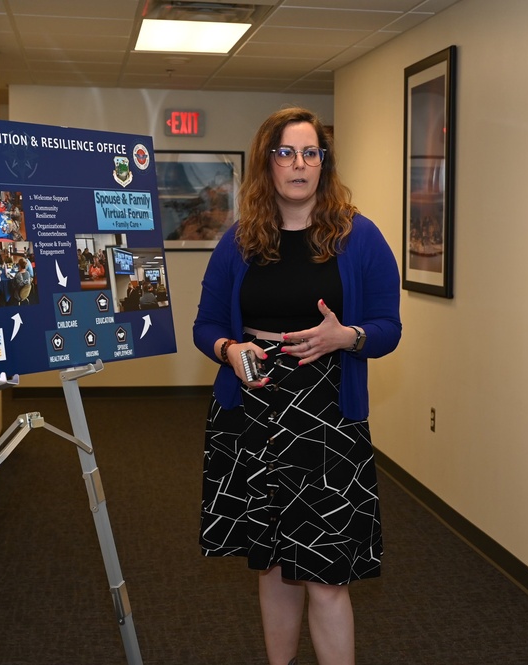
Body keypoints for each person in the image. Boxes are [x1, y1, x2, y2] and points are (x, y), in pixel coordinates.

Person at [192, 106, 401, 665]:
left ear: (324, 164)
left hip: (328, 416)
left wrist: (346, 336)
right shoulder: (239, 240)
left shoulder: (360, 237)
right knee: (273, 563)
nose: (300, 164)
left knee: (328, 575)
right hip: (254, 412)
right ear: (268, 163)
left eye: (311, 153)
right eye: (286, 153)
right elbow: (206, 324)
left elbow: (388, 328)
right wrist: (230, 350)